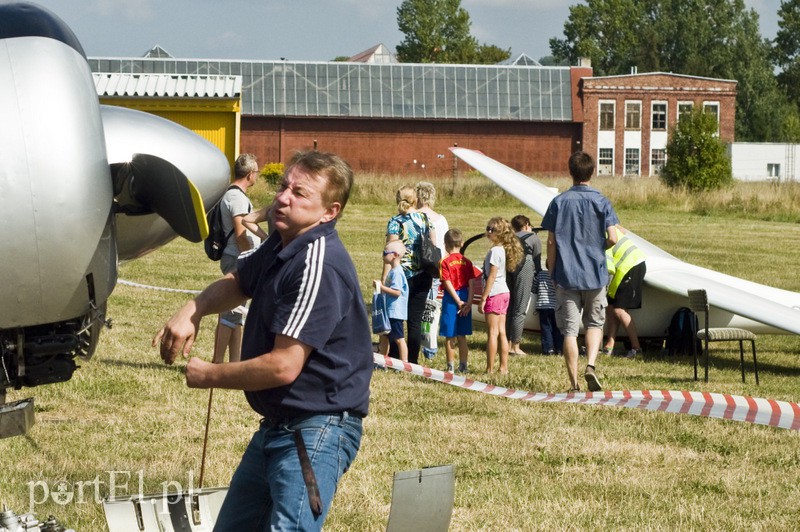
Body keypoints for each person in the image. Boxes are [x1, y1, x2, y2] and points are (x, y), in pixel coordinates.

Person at [153, 150, 372, 530]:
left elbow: (283, 366)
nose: (283, 198)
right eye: (283, 186)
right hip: (278, 426)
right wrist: (193, 308)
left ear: (329, 212)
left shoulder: (317, 263)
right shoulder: (284, 242)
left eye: (299, 193)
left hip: (317, 430)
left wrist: (209, 374)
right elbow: (240, 282)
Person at [541, 151, 619, 392]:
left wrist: (551, 269)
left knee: (569, 331)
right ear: (592, 172)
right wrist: (597, 247)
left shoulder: (559, 202)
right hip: (595, 273)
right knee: (594, 324)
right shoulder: (602, 201)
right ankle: (591, 365)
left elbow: (551, 241)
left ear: (570, 172)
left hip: (566, 274)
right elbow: (613, 238)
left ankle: (574, 383)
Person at [213, 153, 261, 364]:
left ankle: (235, 363)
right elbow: (241, 234)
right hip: (237, 258)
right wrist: (250, 256)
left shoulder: (233, 195)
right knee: (230, 313)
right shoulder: (237, 198)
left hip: (235, 257)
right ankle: (217, 364)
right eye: (256, 172)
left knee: (237, 314)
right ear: (250, 174)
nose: (256, 175)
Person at [385, 186, 435, 364]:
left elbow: (391, 252)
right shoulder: (425, 219)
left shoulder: (395, 221)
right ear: (415, 200)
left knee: (396, 316)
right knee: (415, 321)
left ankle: (395, 356)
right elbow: (433, 245)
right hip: (423, 273)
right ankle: (412, 360)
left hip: (401, 275)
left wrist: (385, 278)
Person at [478, 217, 523, 374]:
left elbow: (492, 275)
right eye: (488, 228)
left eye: (492, 230)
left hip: (494, 293)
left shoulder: (495, 251)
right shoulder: (501, 249)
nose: (488, 232)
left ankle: (490, 369)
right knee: (502, 331)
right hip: (503, 292)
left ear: (500, 233)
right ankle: (503, 367)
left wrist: (483, 298)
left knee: (493, 332)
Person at [415, 181, 448, 360]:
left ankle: (415, 342)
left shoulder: (413, 217)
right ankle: (430, 345)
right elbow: (445, 247)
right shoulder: (441, 220)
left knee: (415, 308)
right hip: (435, 267)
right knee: (431, 308)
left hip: (417, 266)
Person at [603, 225, 647, 359]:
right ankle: (609, 346)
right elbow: (622, 231)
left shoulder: (599, 236)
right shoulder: (604, 225)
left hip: (631, 265)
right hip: (623, 268)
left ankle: (636, 349)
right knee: (610, 306)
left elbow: (608, 267)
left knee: (619, 310)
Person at [439, 228, 477, 373]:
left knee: (450, 335)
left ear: (445, 244)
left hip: (451, 298)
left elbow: (447, 282)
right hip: (465, 296)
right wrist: (469, 302)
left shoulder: (444, 261)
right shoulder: (467, 262)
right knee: (462, 335)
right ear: (462, 243)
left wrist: (458, 301)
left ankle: (450, 368)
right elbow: (472, 283)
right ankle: (463, 366)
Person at [507, 214, 542, 356]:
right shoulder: (533, 238)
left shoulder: (510, 238)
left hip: (509, 267)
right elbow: (537, 262)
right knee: (520, 309)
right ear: (527, 224)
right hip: (525, 267)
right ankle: (515, 346)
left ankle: (506, 343)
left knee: (509, 308)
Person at [374, 240, 409, 362]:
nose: (383, 255)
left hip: (395, 312)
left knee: (399, 339)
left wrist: (381, 287)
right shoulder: (393, 271)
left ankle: (405, 363)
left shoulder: (397, 273)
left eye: (385, 253)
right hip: (389, 311)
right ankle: (382, 361)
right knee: (384, 336)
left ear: (394, 255)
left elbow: (397, 292)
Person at [535, 266, 563, 355]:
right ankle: (559, 348)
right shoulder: (558, 275)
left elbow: (534, 287)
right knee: (557, 328)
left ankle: (548, 349)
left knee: (546, 328)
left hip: (543, 305)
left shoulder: (541, 274)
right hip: (555, 305)